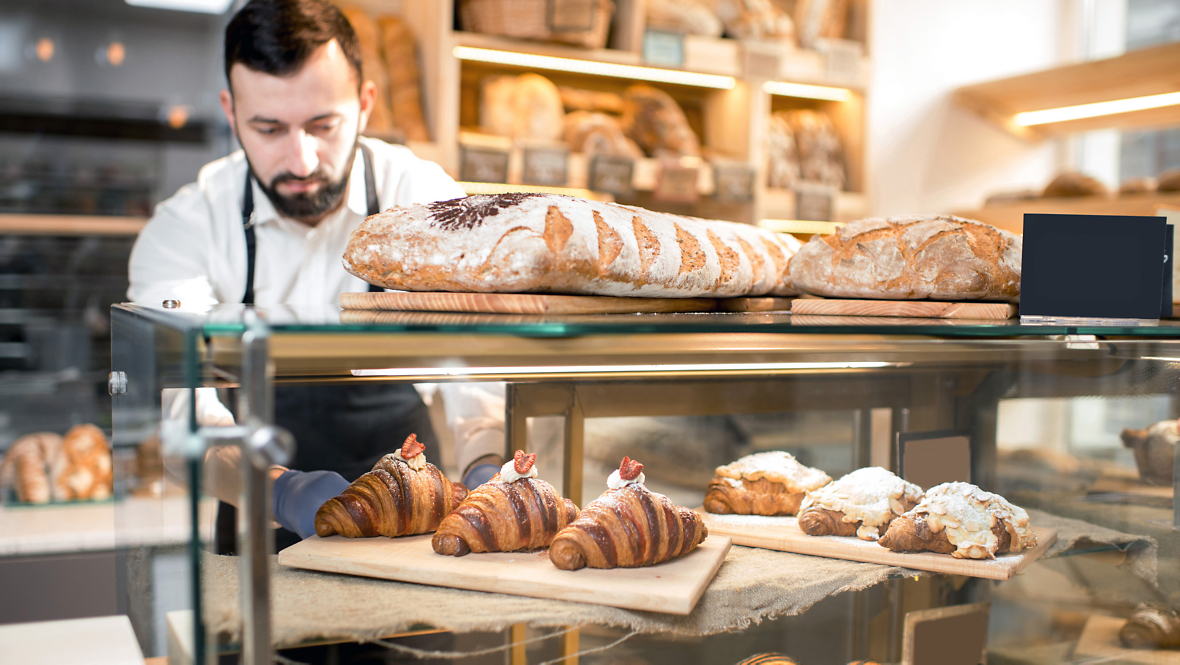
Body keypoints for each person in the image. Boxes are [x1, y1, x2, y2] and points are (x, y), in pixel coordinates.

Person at [129, 0, 481, 551]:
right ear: (231, 111)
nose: (300, 160)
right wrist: (282, 493)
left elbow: (477, 366)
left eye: (323, 124)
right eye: (268, 128)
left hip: (415, 524)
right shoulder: (186, 225)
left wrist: (486, 465)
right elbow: (183, 408)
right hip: (259, 520)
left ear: (365, 104)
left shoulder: (426, 202)